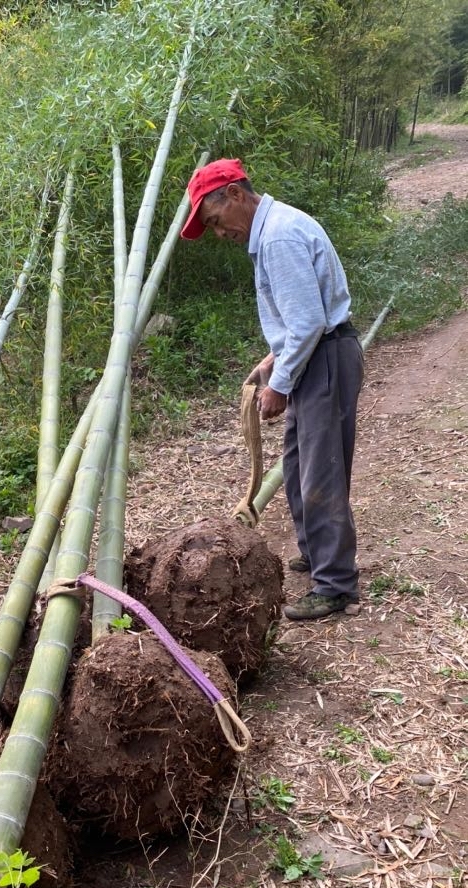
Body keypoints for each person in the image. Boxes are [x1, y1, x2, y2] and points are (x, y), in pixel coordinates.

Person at [180, 158, 364, 621]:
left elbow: (308, 323)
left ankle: (336, 584)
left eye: (217, 222)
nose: (221, 234)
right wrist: (271, 358)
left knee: (320, 471)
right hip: (315, 354)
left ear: (236, 195)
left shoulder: (278, 236)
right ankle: (317, 555)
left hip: (324, 358)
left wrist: (278, 387)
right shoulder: (274, 230)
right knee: (300, 465)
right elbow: (298, 320)